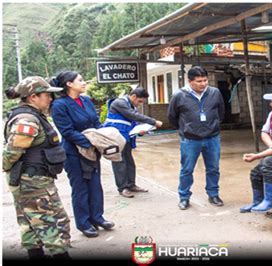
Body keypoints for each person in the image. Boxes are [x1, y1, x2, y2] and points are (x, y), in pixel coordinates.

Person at [3, 76, 71, 259]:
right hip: (33, 183)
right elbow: (11, 153)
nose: (50, 99)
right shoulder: (27, 120)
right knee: (53, 225)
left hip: (32, 181)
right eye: (47, 95)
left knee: (30, 226)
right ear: (33, 97)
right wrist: (11, 172)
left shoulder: (33, 116)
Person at [50, 71, 114, 238]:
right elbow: (67, 132)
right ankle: (84, 223)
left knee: (95, 186)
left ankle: (97, 218)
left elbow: (95, 122)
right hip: (73, 153)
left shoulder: (85, 100)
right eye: (80, 80)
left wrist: (102, 138)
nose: (84, 82)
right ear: (69, 84)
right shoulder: (59, 105)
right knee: (80, 189)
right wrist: (91, 142)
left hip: (92, 151)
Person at [168, 66, 225, 210]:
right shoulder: (179, 95)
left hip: (212, 138)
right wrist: (186, 129)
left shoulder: (214, 93)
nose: (203, 84)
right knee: (187, 170)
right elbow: (172, 117)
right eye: (199, 81)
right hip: (190, 140)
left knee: (213, 168)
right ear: (190, 81)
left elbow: (221, 112)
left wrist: (214, 126)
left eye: (205, 80)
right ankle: (184, 197)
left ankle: (213, 194)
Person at [103, 87, 163, 198]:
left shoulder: (130, 105)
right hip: (116, 136)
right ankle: (123, 188)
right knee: (119, 162)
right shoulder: (119, 103)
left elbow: (132, 121)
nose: (140, 104)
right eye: (139, 101)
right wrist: (153, 122)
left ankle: (131, 184)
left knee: (129, 161)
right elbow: (133, 115)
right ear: (133, 96)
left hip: (126, 136)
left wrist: (140, 131)